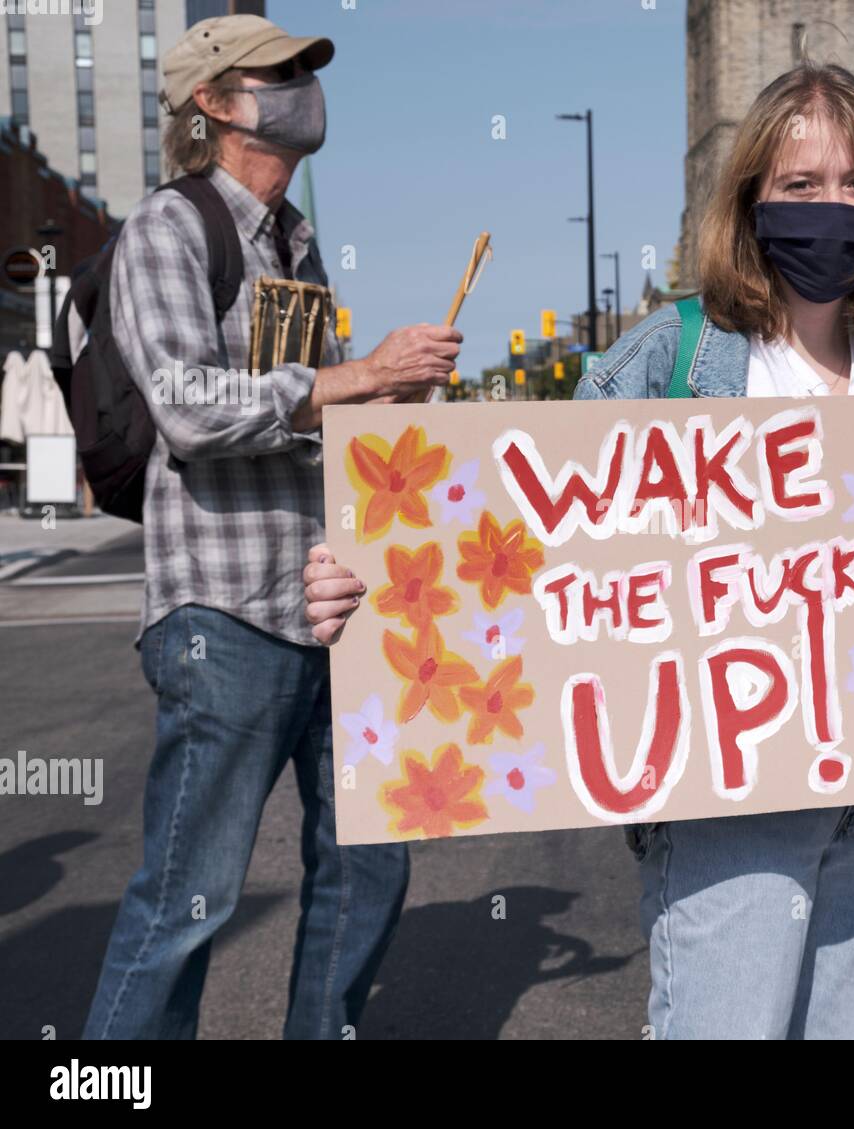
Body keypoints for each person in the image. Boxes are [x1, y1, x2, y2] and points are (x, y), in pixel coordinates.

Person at [304, 61, 854, 1040]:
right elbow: (530, 534)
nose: (833, 208)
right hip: (722, 806)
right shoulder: (678, 353)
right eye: (801, 185)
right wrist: (373, 584)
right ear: (750, 202)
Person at [85, 15, 462, 1040]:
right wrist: (360, 374)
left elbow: (312, 423)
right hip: (224, 611)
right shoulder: (169, 228)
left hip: (331, 608)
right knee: (188, 898)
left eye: (307, 69)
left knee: (371, 861)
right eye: (282, 72)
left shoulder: (294, 243)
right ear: (215, 102)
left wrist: (396, 403)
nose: (306, 84)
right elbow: (189, 408)